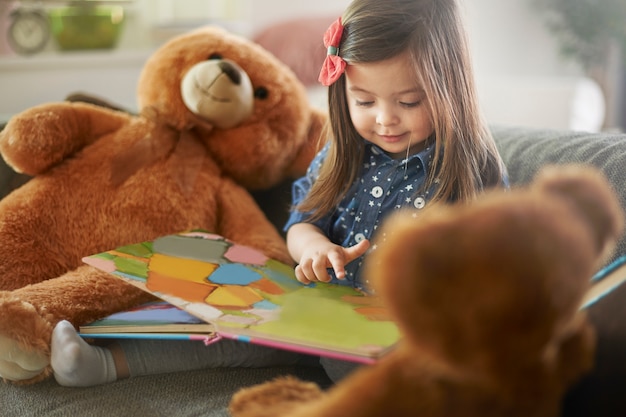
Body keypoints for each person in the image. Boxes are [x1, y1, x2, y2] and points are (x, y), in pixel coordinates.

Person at [50, 0, 507, 388]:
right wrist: (314, 249)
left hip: (400, 340)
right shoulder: (343, 152)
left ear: (451, 86)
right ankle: (102, 365)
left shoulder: (472, 172)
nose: (385, 119)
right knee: (224, 333)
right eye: (364, 101)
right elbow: (302, 222)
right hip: (317, 315)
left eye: (409, 102)